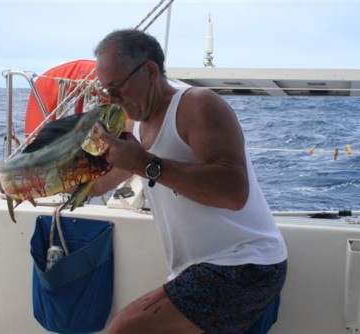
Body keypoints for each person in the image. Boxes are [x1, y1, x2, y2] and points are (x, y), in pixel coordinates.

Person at [89, 29, 288, 334]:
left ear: (151, 71)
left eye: (117, 87)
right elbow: (105, 181)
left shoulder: (198, 105)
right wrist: (36, 185)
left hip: (247, 264)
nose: (111, 99)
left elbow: (234, 192)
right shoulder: (135, 124)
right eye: (106, 90)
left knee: (124, 329)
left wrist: (145, 164)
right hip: (195, 270)